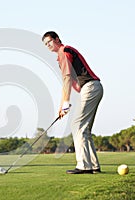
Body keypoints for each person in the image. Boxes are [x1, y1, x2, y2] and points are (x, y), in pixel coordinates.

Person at [42, 31, 103, 174]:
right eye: (45, 44)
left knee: (77, 125)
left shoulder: (64, 50)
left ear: (57, 39)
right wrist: (64, 105)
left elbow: (67, 79)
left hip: (90, 87)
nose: (48, 45)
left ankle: (83, 166)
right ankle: (93, 165)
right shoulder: (63, 54)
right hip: (93, 88)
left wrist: (65, 103)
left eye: (49, 41)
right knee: (84, 129)